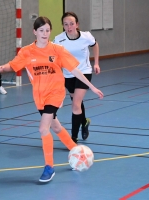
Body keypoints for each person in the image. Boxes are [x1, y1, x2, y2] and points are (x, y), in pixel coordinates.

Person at [0, 16, 103, 183]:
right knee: (55, 125)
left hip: (55, 93)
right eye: (41, 30)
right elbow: (13, 65)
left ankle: (49, 167)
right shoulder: (26, 51)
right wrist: (2, 68)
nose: (45, 33)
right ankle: (74, 149)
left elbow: (75, 70)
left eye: (47, 30)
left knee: (43, 128)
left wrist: (91, 86)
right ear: (35, 32)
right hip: (39, 95)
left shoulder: (57, 50)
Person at [53, 12, 100, 143]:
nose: (69, 27)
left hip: (84, 72)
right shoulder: (58, 39)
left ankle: (73, 138)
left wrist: (96, 63)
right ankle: (84, 122)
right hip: (68, 75)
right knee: (77, 102)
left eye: (72, 24)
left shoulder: (86, 36)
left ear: (77, 24)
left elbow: (95, 44)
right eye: (66, 24)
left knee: (75, 105)